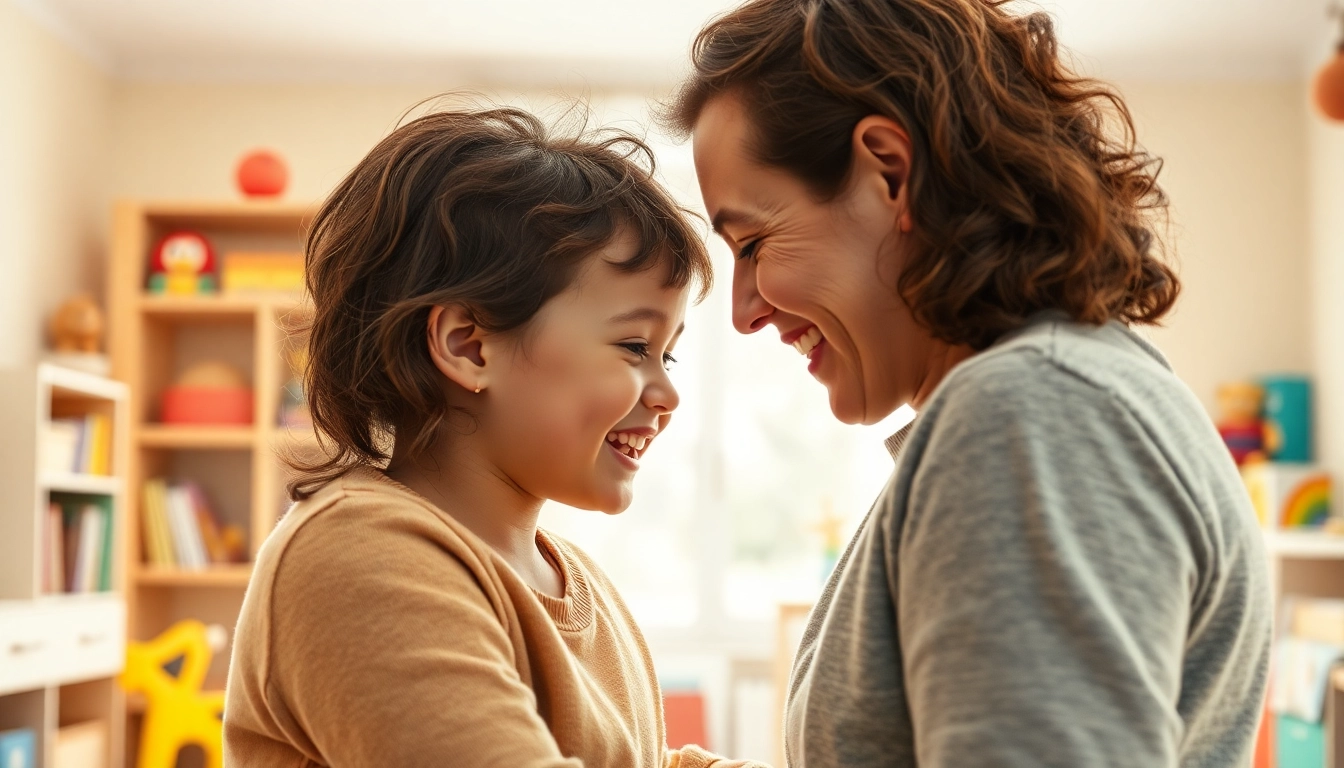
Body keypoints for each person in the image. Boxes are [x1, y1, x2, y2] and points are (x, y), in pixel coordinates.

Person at [665, 0, 1272, 765]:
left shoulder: (1031, 415)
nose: (744, 311)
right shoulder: (1062, 397)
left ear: (890, 172)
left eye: (753, 242)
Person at [223, 106, 762, 768]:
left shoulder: (573, 578)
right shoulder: (358, 556)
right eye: (633, 346)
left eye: (668, 355)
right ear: (468, 346)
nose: (668, 395)